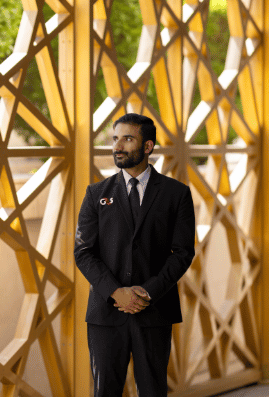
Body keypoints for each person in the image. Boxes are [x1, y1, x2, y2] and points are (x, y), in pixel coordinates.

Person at [74, 113, 196, 396]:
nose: (118, 146)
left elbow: (182, 253)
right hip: (106, 314)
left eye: (127, 139)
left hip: (154, 312)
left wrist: (147, 292)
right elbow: (83, 252)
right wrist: (116, 292)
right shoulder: (95, 194)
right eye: (115, 139)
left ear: (148, 146)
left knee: (153, 391)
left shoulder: (177, 194)